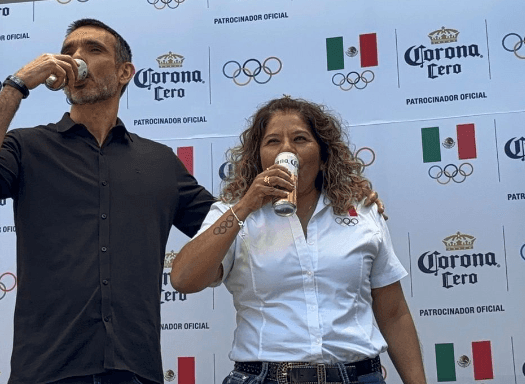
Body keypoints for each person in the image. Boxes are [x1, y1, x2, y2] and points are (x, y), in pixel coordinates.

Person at [0, 18, 216, 384]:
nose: (75, 57)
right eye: (69, 49)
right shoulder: (26, 147)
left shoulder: (161, 162)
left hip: (134, 370)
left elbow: (223, 229)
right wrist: (18, 84)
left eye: (93, 49)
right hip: (46, 370)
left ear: (124, 73)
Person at [170, 96, 427, 384]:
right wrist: (245, 206)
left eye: (300, 138)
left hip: (357, 375)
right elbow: (183, 279)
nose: (287, 150)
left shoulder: (362, 210)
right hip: (266, 377)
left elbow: (393, 313)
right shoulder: (234, 213)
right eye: (273, 142)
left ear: (323, 154)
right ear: (259, 157)